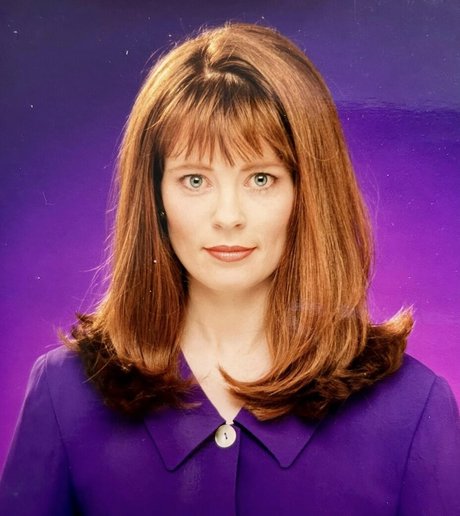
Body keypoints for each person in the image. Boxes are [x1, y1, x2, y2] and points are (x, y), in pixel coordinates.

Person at [0, 22, 459, 515]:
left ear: (307, 193)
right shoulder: (63, 395)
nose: (227, 216)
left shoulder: (414, 409)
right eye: (195, 180)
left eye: (261, 178)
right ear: (155, 197)